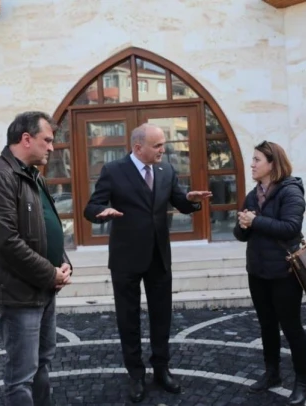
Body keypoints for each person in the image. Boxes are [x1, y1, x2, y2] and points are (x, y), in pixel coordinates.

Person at [83, 123, 212, 403]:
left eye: (163, 144)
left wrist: (191, 200)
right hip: (125, 258)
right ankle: (136, 375)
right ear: (138, 147)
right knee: (128, 319)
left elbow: (180, 200)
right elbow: (91, 207)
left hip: (159, 257)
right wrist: (102, 212)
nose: (163, 150)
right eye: (157, 146)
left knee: (161, 316)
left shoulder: (166, 170)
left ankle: (161, 369)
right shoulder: (113, 170)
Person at [0, 111, 73, 406]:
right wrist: (50, 273)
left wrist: (63, 262)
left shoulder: (33, 176)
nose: (52, 147)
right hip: (18, 292)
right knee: (21, 375)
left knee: (43, 362)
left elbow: (46, 227)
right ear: (26, 139)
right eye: (46, 140)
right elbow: (6, 242)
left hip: (44, 286)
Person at [233, 140, 306, 405]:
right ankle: (272, 374)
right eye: (253, 159)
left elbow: (291, 227)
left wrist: (255, 220)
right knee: (267, 325)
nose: (252, 165)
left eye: (257, 160)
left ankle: (303, 383)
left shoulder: (291, 192)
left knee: (291, 327)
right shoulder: (253, 195)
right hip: (257, 271)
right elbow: (240, 235)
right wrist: (243, 225)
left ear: (272, 164)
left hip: (284, 272)